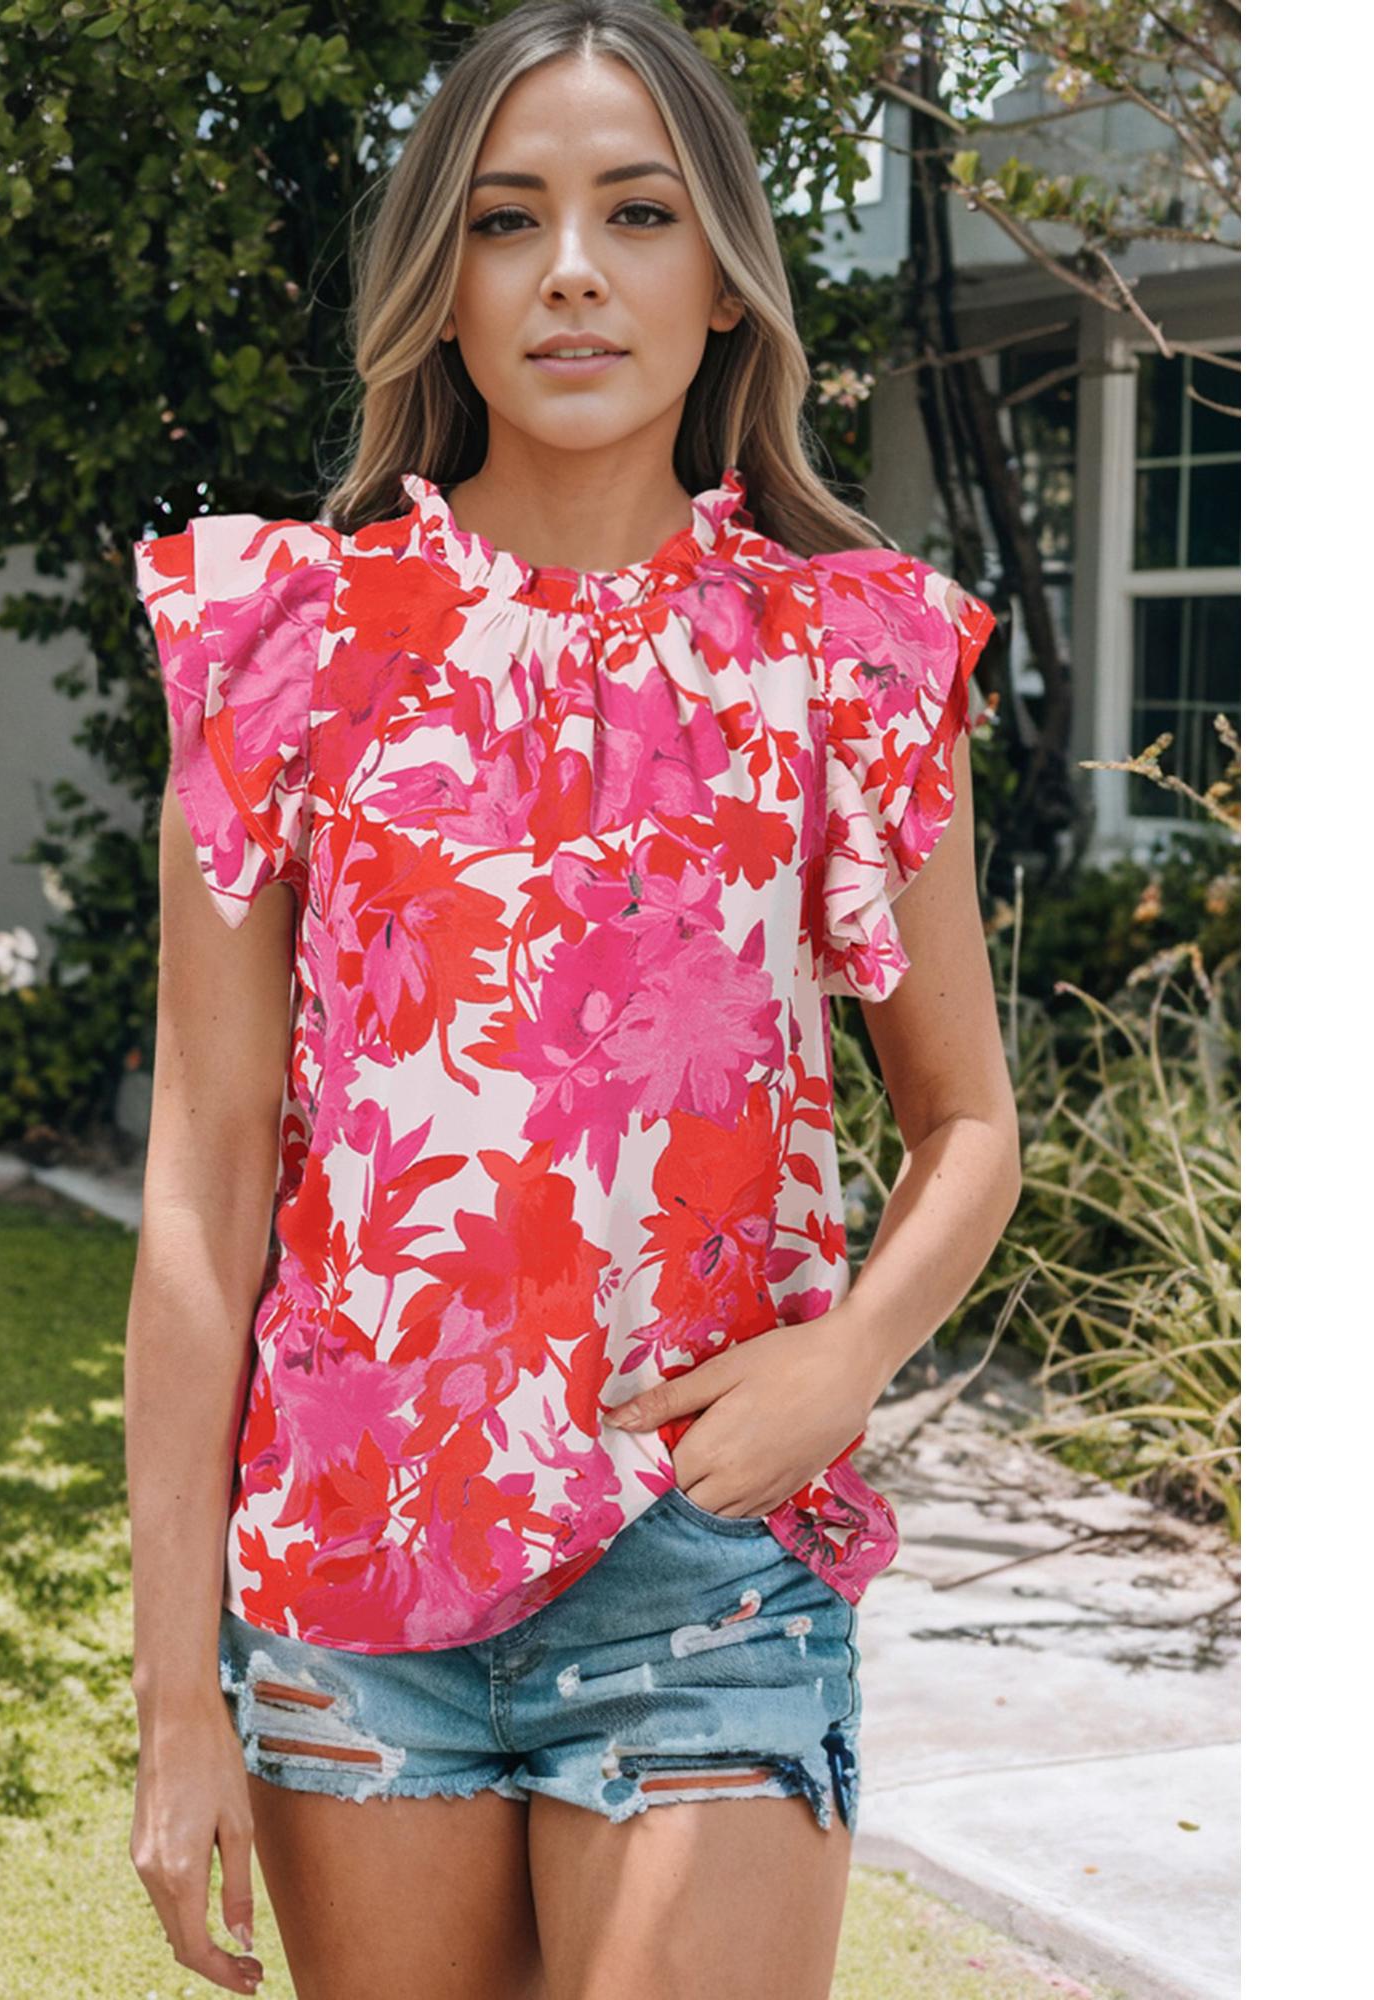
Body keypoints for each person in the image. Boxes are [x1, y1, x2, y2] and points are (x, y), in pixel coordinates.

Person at [124, 3, 1020, 1995]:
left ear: (724, 282)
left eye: (637, 213)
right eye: (507, 219)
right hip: (351, 1581)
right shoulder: (288, 653)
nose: (573, 273)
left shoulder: (848, 661)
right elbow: (201, 1178)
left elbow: (967, 1122)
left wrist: (847, 1358)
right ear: (441, 286)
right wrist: (176, 1694)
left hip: (705, 1565)